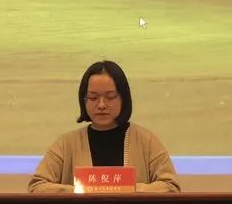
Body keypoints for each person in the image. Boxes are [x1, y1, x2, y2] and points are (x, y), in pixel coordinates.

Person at [29, 60, 180, 193]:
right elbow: (37, 186)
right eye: (93, 97)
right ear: (84, 100)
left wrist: (128, 189)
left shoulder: (146, 141)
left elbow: (171, 186)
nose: (101, 105)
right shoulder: (66, 144)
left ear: (124, 98)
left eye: (110, 97)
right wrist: (81, 190)